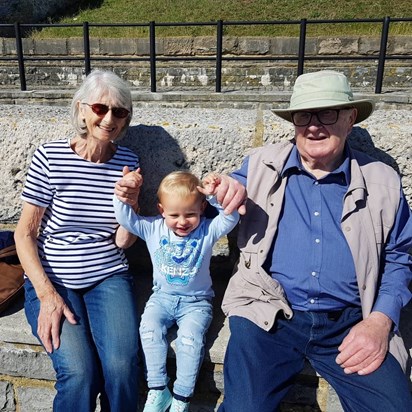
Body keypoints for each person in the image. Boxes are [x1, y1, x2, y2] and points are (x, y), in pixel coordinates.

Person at [216, 70, 412, 411]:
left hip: (350, 321)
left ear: (350, 119)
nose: (313, 125)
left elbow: (400, 257)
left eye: (328, 113)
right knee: (243, 407)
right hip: (270, 313)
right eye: (304, 114)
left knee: (393, 407)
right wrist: (218, 188)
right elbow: (211, 200)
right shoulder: (261, 164)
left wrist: (379, 322)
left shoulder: (383, 180)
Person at [14, 69, 140, 412]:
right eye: (101, 108)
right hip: (52, 278)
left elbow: (123, 241)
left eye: (120, 112)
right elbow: (24, 233)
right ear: (82, 109)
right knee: (80, 373)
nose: (109, 118)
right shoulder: (50, 157)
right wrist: (46, 295)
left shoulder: (128, 162)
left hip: (107, 275)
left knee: (123, 367)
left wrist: (130, 205)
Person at [113, 170, 240, 412]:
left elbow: (230, 218)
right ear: (161, 210)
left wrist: (214, 196)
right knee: (149, 330)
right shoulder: (153, 228)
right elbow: (127, 219)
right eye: (174, 215)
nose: (182, 222)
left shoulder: (207, 230)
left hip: (197, 302)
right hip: (161, 297)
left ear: (201, 209)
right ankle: (158, 389)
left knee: (189, 341)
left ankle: (181, 398)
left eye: (190, 214)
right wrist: (124, 191)